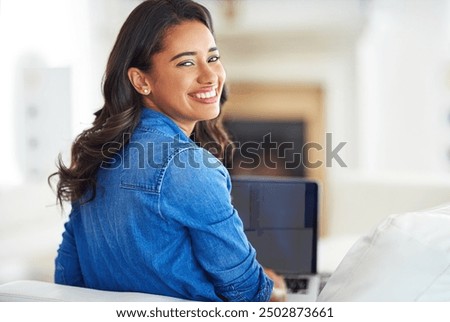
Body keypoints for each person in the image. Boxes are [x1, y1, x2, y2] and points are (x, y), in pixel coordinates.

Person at [50, 0, 286, 301]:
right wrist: (275, 289)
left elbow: (68, 278)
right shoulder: (188, 166)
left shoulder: (94, 155)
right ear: (141, 80)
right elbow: (248, 295)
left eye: (213, 58)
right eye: (186, 62)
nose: (210, 76)